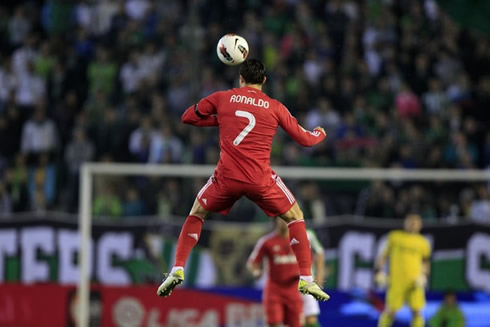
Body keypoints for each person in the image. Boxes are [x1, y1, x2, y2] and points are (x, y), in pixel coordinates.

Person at [156, 59, 329, 301]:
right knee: (295, 217)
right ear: (264, 81)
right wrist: (320, 133)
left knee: (197, 214)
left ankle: (177, 268)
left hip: (226, 178)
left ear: (240, 78)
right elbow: (306, 140)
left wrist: (221, 119)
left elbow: (187, 117)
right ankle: (306, 279)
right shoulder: (274, 106)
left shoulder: (222, 98)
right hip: (260, 179)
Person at [375, 214, 431, 327]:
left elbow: (425, 262)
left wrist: (424, 275)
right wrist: (378, 271)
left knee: (417, 312)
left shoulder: (423, 242)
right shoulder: (395, 237)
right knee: (390, 312)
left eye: (415, 223)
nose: (412, 225)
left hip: (414, 283)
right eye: (410, 222)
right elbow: (383, 256)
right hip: (397, 282)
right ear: (405, 222)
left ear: (420, 225)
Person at [247, 217, 304, 327]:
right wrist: (256, 272)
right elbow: (252, 262)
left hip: (294, 290)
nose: (283, 222)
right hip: (274, 290)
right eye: (280, 219)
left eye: (285, 219)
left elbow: (308, 260)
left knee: (296, 324)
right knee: (274, 324)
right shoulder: (266, 241)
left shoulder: (299, 240)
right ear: (275, 221)